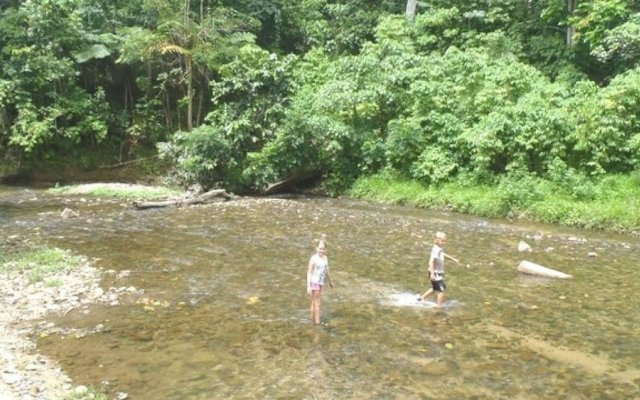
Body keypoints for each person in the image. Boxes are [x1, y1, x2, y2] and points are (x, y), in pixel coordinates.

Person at [418, 231, 459, 308]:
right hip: (435, 273)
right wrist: (433, 274)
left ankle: (421, 298)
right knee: (442, 289)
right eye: (442, 241)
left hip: (438, 273)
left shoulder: (439, 248)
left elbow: (442, 254)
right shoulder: (436, 250)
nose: (444, 243)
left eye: (445, 241)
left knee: (435, 288)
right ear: (436, 240)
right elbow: (431, 261)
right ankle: (439, 306)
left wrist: (452, 258)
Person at [307, 235, 333, 325]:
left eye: (323, 249)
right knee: (317, 302)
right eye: (320, 248)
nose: (321, 250)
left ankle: (312, 317)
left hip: (321, 282)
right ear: (316, 248)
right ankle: (317, 322)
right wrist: (308, 286)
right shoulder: (313, 259)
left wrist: (330, 281)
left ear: (325, 250)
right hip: (314, 282)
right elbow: (309, 272)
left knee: (314, 301)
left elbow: (327, 270)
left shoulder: (325, 258)